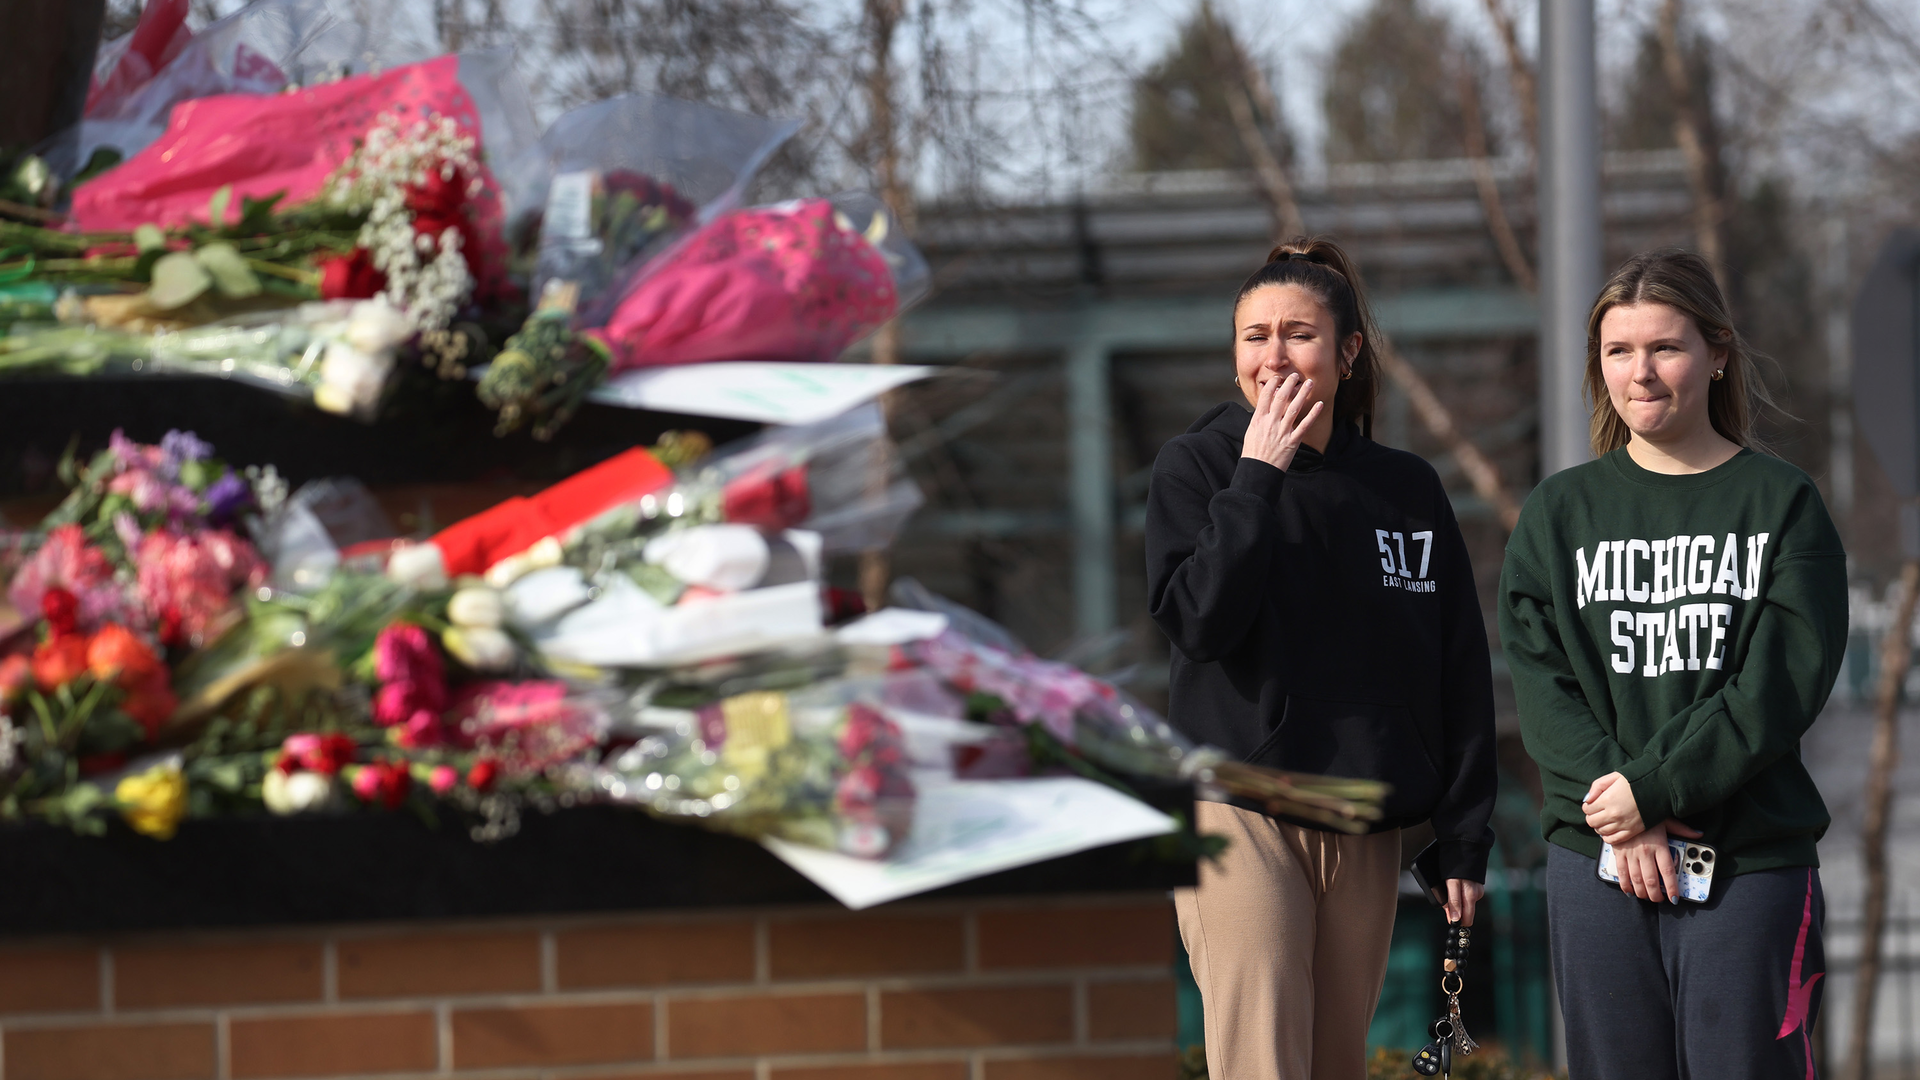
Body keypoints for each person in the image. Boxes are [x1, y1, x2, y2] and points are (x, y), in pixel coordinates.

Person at [1145, 237, 1498, 1080]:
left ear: (1347, 352)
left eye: (1298, 333)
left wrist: (1461, 835)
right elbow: (1198, 622)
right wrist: (1257, 476)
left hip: (1366, 818)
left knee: (1336, 1063)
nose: (1273, 355)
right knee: (1266, 1061)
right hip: (1240, 806)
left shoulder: (1405, 487)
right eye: (1253, 336)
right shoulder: (1196, 467)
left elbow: (1457, 666)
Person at [1499, 248, 1848, 1080]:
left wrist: (1651, 792)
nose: (1641, 373)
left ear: (1718, 352)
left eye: (1666, 347)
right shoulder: (1558, 515)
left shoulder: (1782, 503)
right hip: (1598, 866)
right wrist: (1625, 815)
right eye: (1619, 351)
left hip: (1747, 864)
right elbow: (1544, 691)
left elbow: (1777, 687)